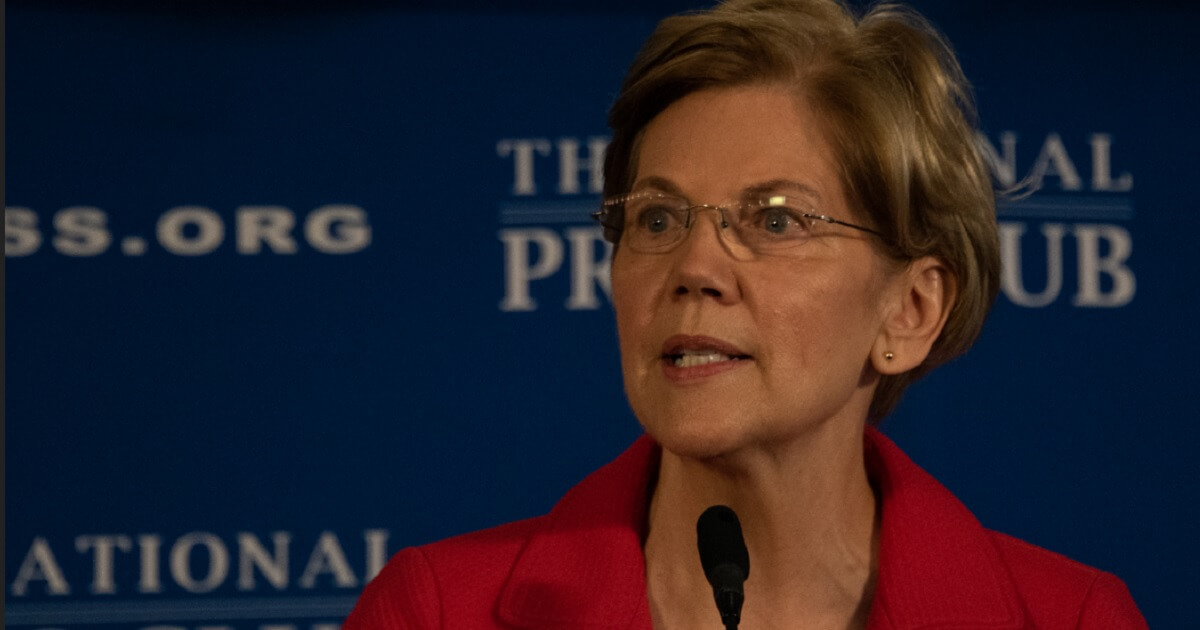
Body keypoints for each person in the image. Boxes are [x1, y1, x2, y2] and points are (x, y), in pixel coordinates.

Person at [345, 0, 1148, 627]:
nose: (695, 267)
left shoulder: (1071, 618)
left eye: (774, 220)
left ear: (909, 310)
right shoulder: (436, 611)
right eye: (657, 219)